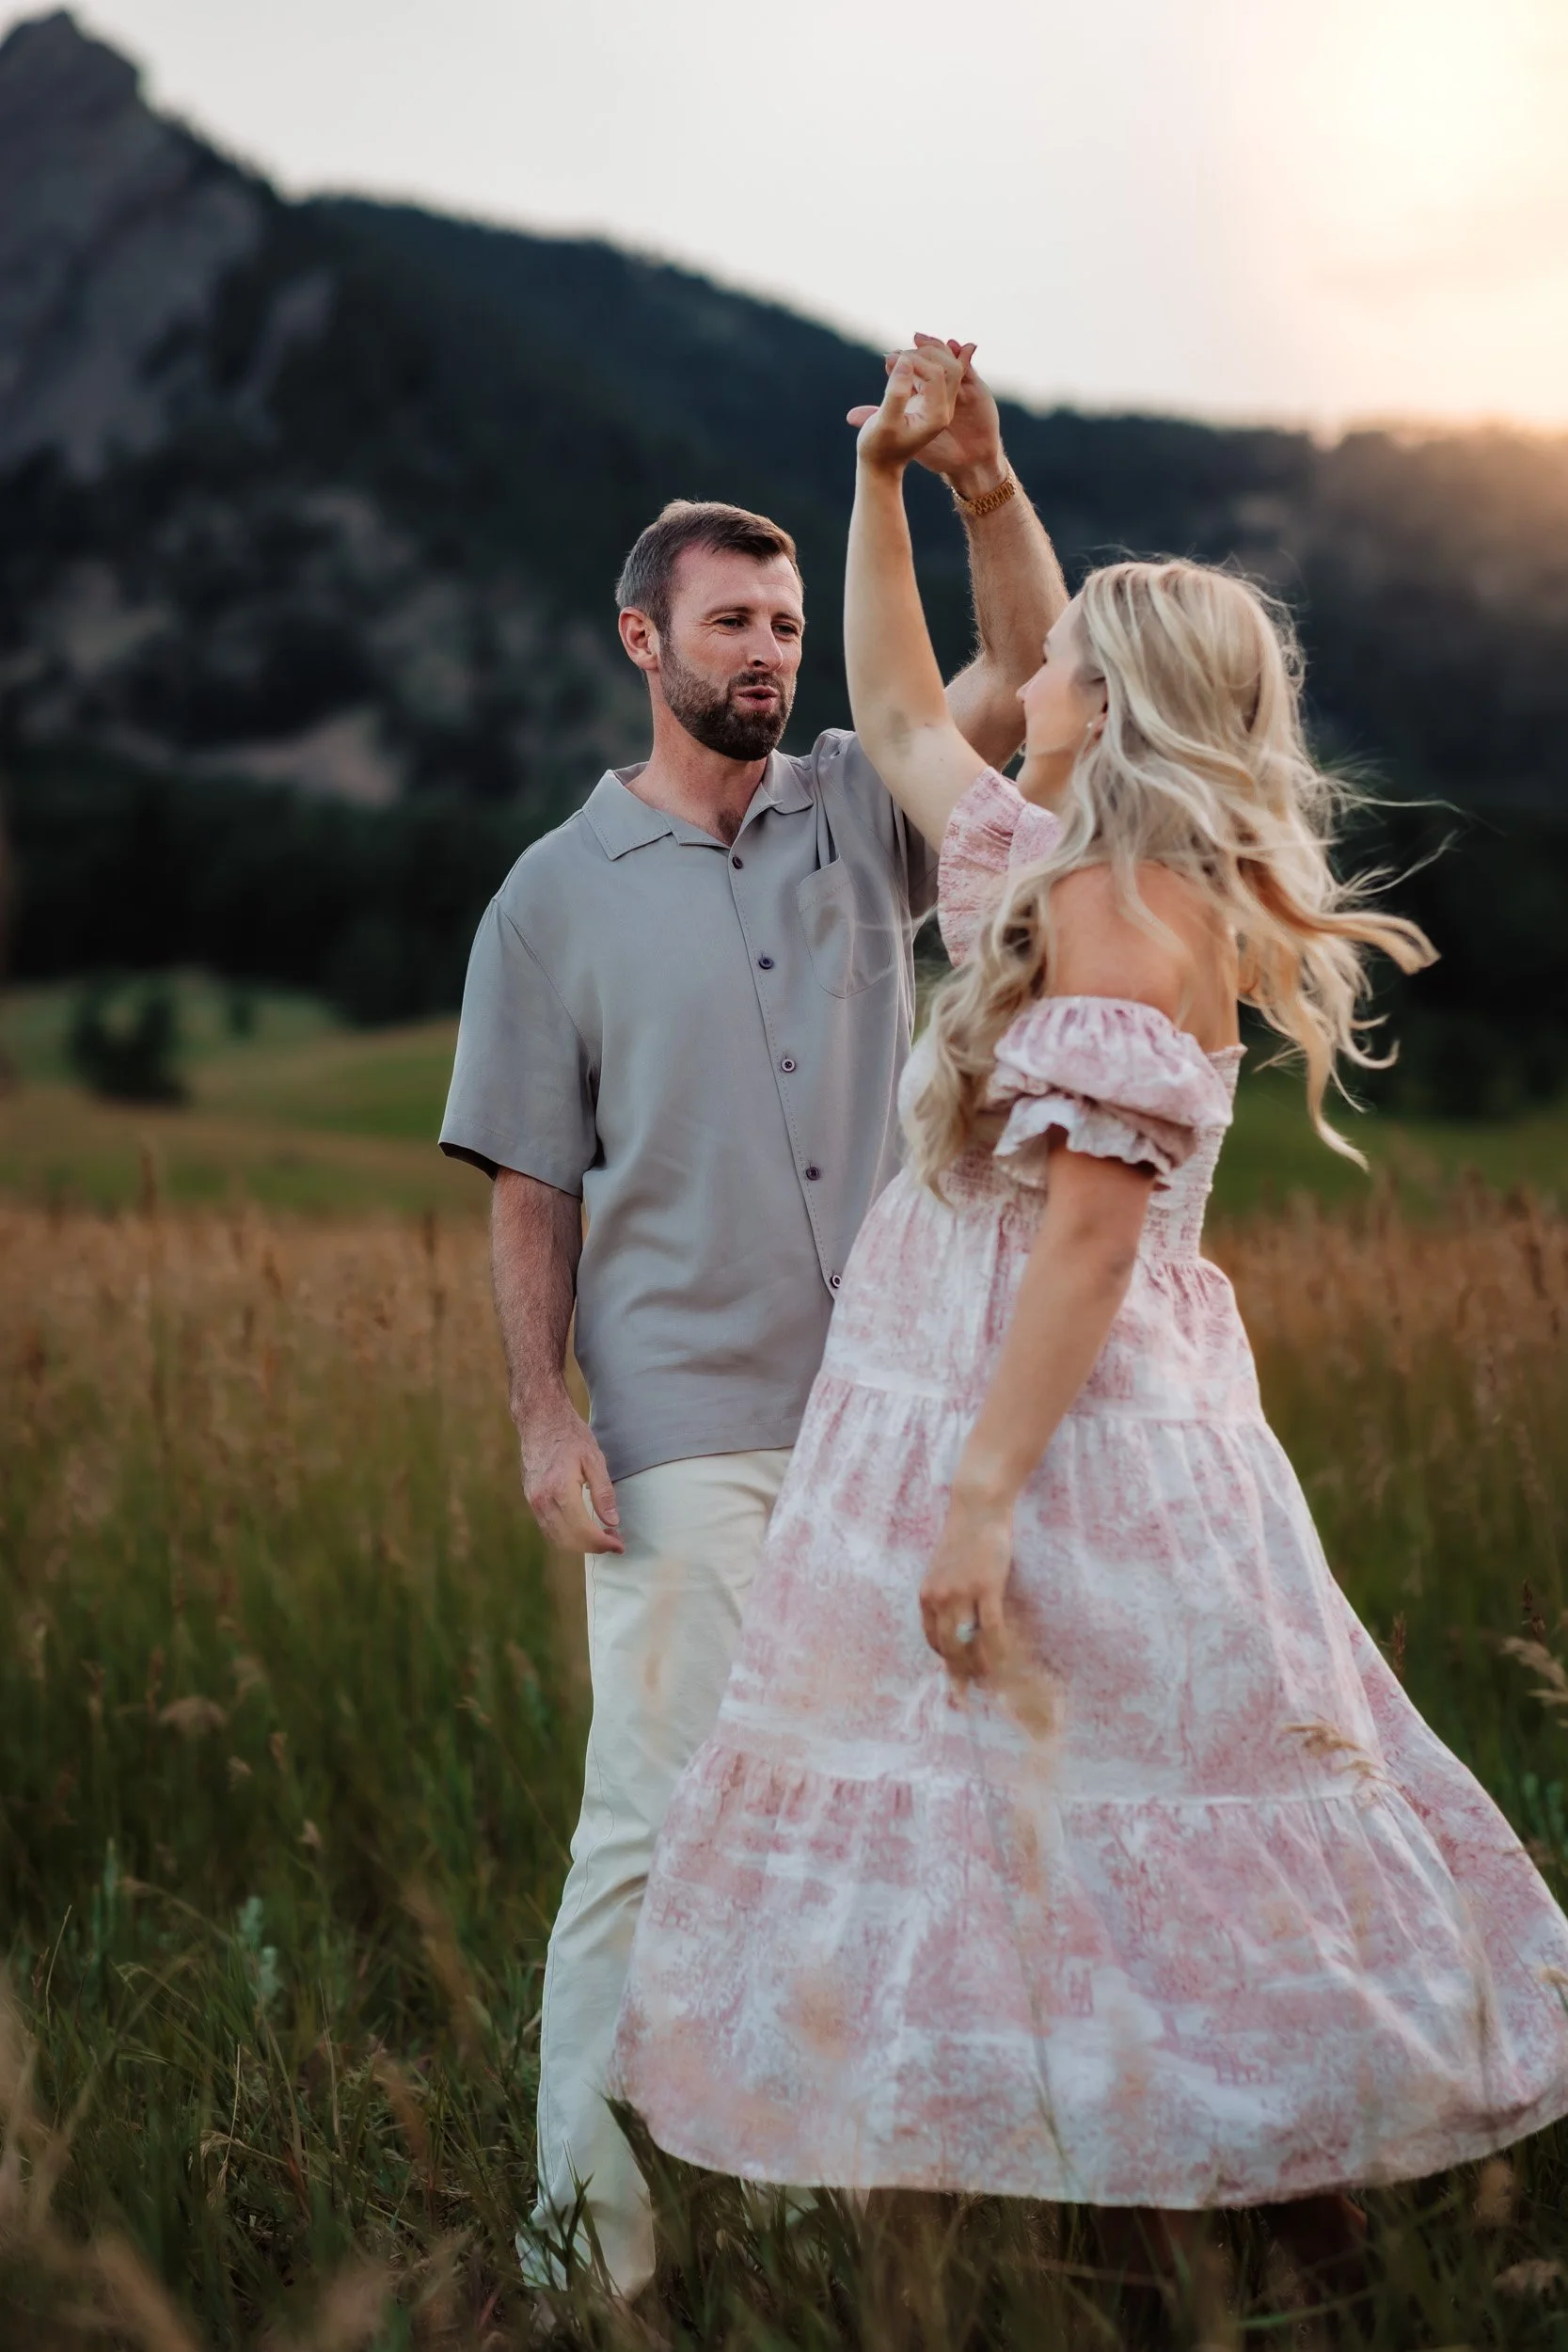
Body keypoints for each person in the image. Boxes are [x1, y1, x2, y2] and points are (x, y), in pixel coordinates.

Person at [610, 343, 1568, 2280]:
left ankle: (1232, 2235)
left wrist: (974, 1498)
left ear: (1108, 708)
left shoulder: (1127, 915)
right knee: (1001, 1817)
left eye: (1054, 666)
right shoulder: (1050, 868)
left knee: (1132, 1813)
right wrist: (897, 480)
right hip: (969, 1402)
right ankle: (1053, 2207)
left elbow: (1081, 1248)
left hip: (1065, 1435)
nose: (1016, 671)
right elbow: (894, 707)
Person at [437, 339, 1068, 2297]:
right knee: (650, 1821)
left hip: (886, 1418)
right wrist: (547, 1421)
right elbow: (530, 1184)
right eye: (733, 619)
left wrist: (967, 481)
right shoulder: (550, 896)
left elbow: (1034, 697)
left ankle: (794, 2222)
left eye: (790, 620)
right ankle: (582, 2248)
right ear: (642, 637)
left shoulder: (860, 809)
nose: (772, 648)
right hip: (682, 1426)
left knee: (862, 1828)